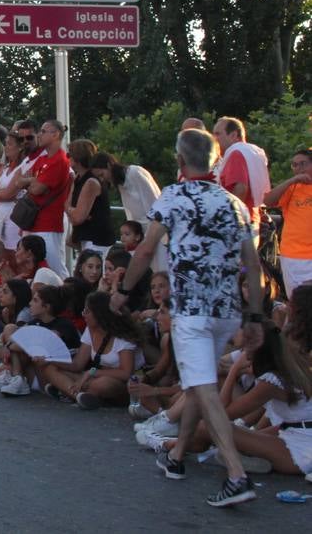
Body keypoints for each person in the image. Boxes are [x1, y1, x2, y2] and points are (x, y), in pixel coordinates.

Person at [117, 128, 265, 508]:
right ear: (215, 160)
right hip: (227, 311)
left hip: (192, 311)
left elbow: (146, 250)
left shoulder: (174, 197)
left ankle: (236, 474)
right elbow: (253, 263)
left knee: (202, 385)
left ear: (180, 161)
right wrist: (254, 315)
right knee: (199, 383)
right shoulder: (233, 203)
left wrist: (122, 291)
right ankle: (178, 455)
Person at [12, 120, 72, 276]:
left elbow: (36, 189)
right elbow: (19, 181)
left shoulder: (59, 160)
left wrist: (31, 182)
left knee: (53, 268)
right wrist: (32, 181)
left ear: (56, 134)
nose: (40, 134)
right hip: (32, 222)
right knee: (29, 267)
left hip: (48, 225)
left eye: (44, 131)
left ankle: (65, 295)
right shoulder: (42, 159)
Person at [264, 148, 311, 296]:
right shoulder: (292, 188)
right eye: (294, 165)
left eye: (303, 164)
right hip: (293, 255)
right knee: (297, 301)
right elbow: (268, 201)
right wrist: (292, 180)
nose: (298, 169)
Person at [213, 116, 270, 230]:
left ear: (234, 135)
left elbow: (240, 188)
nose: (214, 138)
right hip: (253, 218)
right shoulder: (254, 151)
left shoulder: (236, 153)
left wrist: (230, 219)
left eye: (218, 134)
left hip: (240, 223)